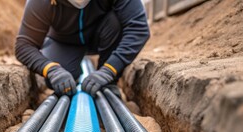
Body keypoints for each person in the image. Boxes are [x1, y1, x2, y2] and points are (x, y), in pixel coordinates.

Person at [15, 0, 150, 97]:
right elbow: (24, 45)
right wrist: (51, 70)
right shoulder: (42, 2)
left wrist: (109, 70)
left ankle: (109, 83)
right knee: (59, 83)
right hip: (64, 42)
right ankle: (71, 73)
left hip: (104, 34)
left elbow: (138, 29)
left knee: (117, 21)